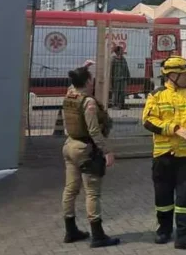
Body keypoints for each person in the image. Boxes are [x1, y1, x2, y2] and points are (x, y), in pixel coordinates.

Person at [142, 56, 186, 251]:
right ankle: (163, 230)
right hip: (163, 154)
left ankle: (184, 236)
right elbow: (148, 121)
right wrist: (175, 128)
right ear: (172, 75)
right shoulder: (156, 95)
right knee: (162, 195)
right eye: (185, 74)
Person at [61, 63, 120, 248]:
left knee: (70, 190)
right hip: (85, 149)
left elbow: (73, 82)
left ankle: (70, 231)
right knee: (92, 193)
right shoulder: (88, 102)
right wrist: (107, 151)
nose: (93, 81)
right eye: (91, 78)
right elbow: (94, 131)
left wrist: (81, 68)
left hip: (69, 145)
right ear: (87, 81)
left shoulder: (70, 95)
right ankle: (98, 235)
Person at [110, 45, 130, 110]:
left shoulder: (123, 59)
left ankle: (122, 105)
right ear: (117, 51)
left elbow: (126, 68)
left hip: (123, 79)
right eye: (121, 50)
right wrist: (111, 79)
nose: (123, 51)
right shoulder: (113, 60)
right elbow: (111, 70)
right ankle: (114, 105)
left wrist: (128, 76)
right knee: (116, 92)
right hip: (116, 79)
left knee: (122, 93)